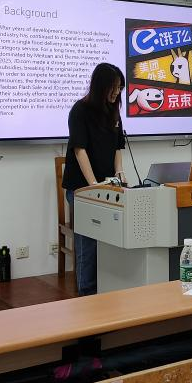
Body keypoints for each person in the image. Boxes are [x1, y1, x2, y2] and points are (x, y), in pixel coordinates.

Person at [62, 63, 126, 296]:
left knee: (111, 241)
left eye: (120, 88)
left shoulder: (113, 112)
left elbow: (118, 148)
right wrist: (93, 186)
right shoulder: (79, 110)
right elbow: (80, 150)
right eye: (113, 87)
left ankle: (108, 291)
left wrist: (119, 174)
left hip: (107, 187)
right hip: (82, 189)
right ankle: (86, 295)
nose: (117, 93)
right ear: (101, 86)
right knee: (87, 245)